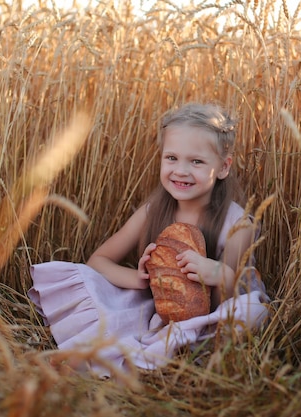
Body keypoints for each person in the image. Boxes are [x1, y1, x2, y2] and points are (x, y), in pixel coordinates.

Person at [28, 102, 268, 376]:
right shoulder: (154, 211)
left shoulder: (238, 224)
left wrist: (215, 273)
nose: (181, 170)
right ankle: (104, 354)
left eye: (197, 161)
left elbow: (231, 292)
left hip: (214, 316)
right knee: (90, 282)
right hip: (159, 308)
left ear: (224, 167)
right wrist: (139, 279)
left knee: (245, 314)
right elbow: (99, 261)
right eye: (172, 158)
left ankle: (168, 356)